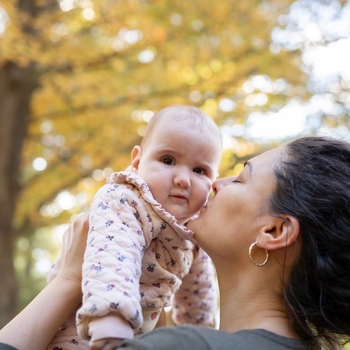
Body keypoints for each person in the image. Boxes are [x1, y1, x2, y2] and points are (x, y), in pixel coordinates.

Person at [1, 135, 350, 350]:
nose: (216, 184)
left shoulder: (183, 346)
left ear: (274, 232)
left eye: (241, 179)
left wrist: (68, 281)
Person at [47, 105, 223, 349]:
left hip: (134, 335)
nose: (183, 179)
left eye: (199, 170)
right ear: (138, 162)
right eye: (168, 160)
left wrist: (203, 338)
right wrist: (112, 316)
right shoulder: (124, 200)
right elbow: (113, 253)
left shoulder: (193, 232)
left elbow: (198, 296)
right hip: (83, 328)